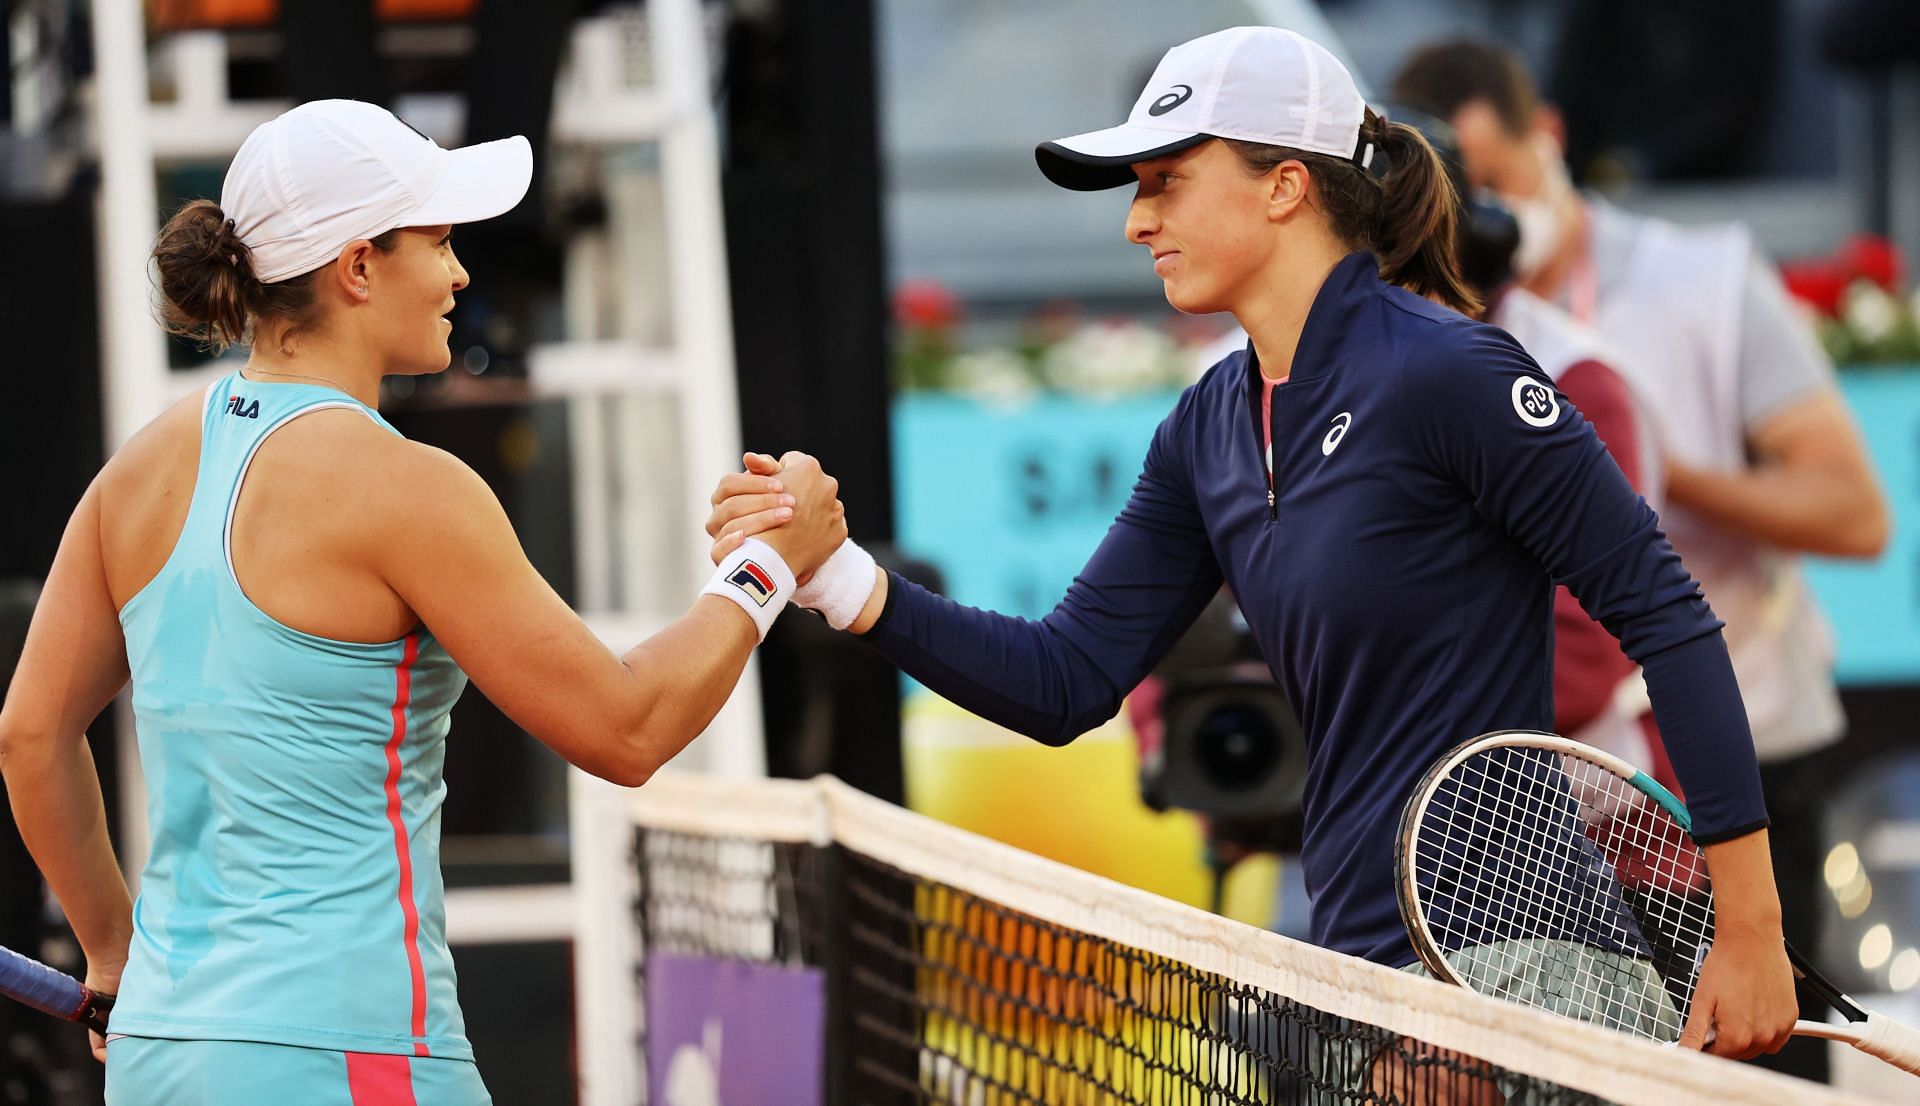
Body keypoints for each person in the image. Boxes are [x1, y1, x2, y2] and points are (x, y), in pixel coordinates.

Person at [708, 26, 1798, 1071]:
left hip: (1525, 973)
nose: (1137, 222)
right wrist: (840, 574)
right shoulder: (1206, 428)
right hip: (1359, 975)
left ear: (1286, 186)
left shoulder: (1454, 374)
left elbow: (1668, 615)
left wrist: (1748, 930)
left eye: (1165, 180)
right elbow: (1065, 679)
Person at [0, 99, 843, 1104]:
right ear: (358, 267)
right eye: (439, 241)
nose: (460, 274)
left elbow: (30, 733)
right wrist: (766, 568)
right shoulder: (407, 488)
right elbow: (629, 727)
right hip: (351, 1057)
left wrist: (109, 953)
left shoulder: (133, 474)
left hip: (162, 1059)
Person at [1392, 40, 1889, 1083]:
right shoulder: (1423, 335)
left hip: (1748, 748)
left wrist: (1632, 473)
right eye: (1451, 185)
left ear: (1552, 141)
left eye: (1497, 177)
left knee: (1760, 1078)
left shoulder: (1702, 280)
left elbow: (1855, 513)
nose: (1480, 206)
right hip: (1554, 813)